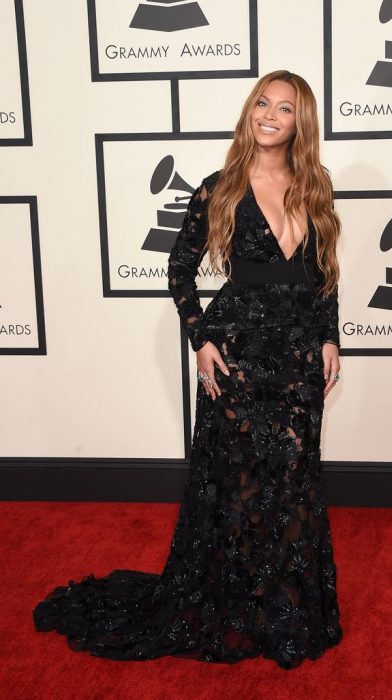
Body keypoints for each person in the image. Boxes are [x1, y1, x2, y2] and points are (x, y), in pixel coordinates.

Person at [32, 69, 343, 671]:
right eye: (262, 103)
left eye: (285, 107)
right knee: (238, 481)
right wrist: (201, 340)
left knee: (294, 478)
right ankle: (235, 606)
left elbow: (325, 272)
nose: (270, 115)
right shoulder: (220, 185)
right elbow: (179, 269)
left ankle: (285, 609)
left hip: (300, 355)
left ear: (301, 121)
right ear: (250, 112)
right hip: (238, 352)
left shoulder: (316, 185)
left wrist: (331, 337)